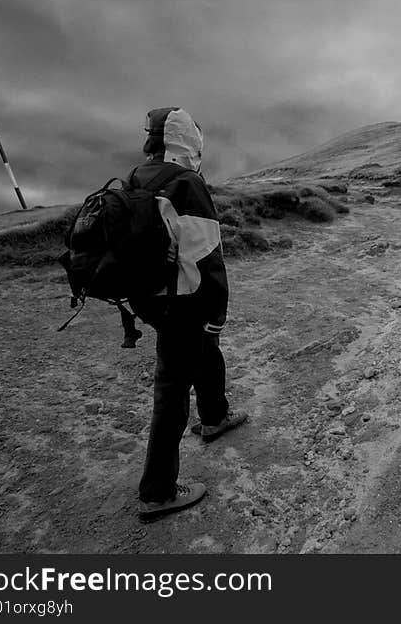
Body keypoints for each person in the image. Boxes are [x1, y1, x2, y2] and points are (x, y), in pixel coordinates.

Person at [128, 107, 247, 521]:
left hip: (152, 300)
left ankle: (214, 416)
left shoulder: (138, 176)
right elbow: (208, 258)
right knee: (173, 393)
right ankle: (157, 492)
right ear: (187, 139)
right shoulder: (186, 183)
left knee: (205, 353)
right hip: (186, 301)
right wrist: (217, 313)